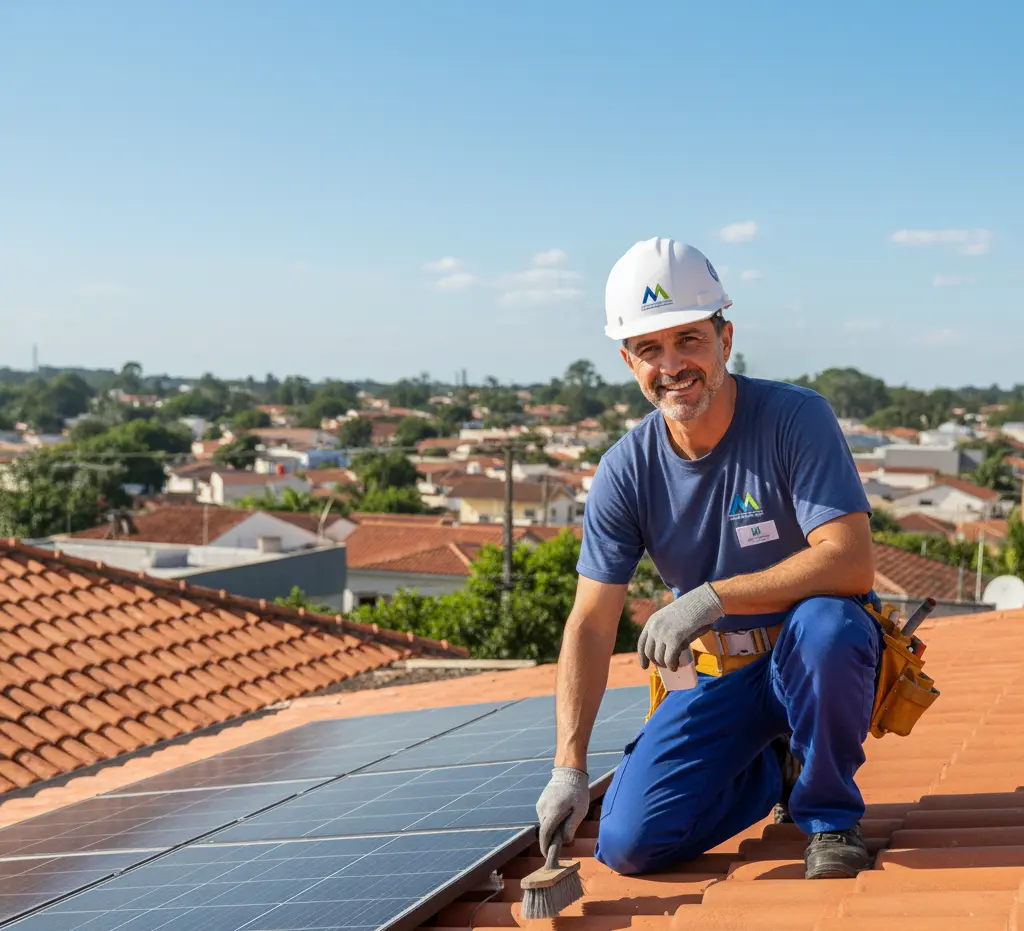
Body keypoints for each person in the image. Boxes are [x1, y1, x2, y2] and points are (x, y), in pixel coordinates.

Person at [535, 237, 881, 880]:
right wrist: (569, 767)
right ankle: (771, 771)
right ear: (628, 361)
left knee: (827, 626)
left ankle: (829, 815)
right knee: (631, 844)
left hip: (812, 659)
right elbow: (589, 623)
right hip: (722, 676)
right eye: (650, 349)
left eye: (688, 339)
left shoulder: (793, 419)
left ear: (725, 338)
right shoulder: (624, 471)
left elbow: (850, 561)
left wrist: (711, 596)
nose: (672, 365)